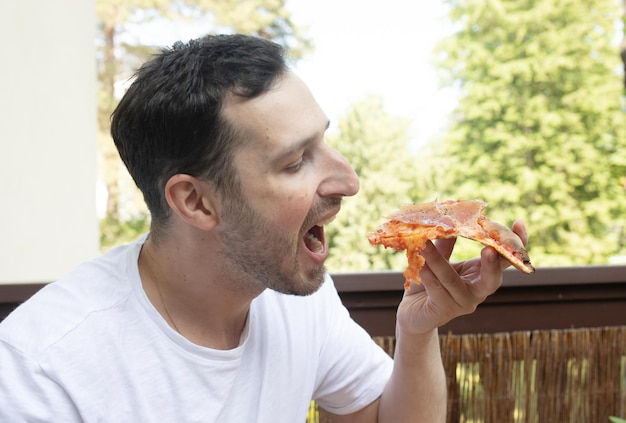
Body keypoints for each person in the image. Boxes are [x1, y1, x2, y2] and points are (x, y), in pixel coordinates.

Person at [0, 34, 528, 422]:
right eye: (297, 161)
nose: (349, 181)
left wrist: (418, 330)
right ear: (196, 201)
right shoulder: (41, 372)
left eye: (323, 141)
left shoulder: (291, 292)